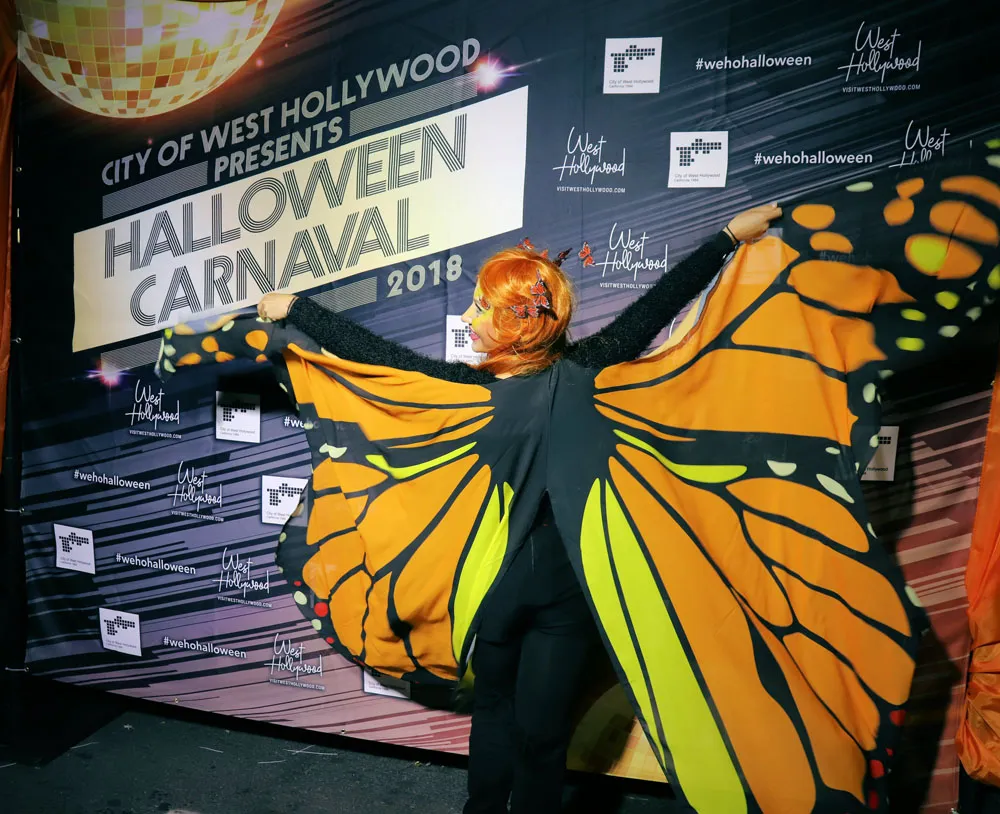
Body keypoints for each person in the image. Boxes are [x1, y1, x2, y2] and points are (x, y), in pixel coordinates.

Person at [253, 205, 782, 814]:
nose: (468, 317)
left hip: (502, 584)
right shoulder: (588, 369)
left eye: (482, 307)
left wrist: (297, 309)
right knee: (540, 730)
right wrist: (726, 238)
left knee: (499, 716)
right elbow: (657, 308)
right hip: (563, 586)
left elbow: (375, 358)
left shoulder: (467, 394)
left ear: (515, 323)